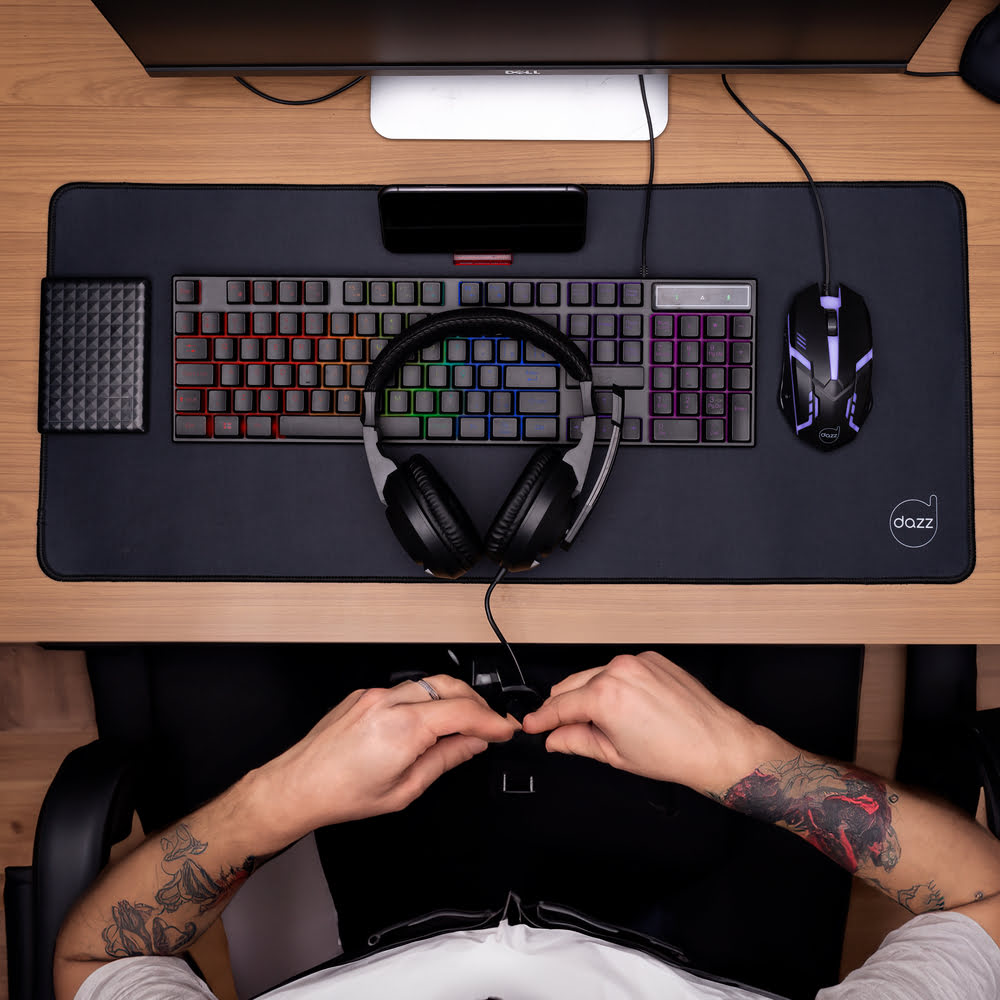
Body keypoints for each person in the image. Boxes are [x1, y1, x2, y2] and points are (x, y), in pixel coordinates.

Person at [54, 651, 1000, 1000]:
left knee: (209, 572)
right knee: (792, 532)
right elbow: (989, 904)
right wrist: (740, 758)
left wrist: (284, 795)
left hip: (367, 909)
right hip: (707, 930)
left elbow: (95, 959)